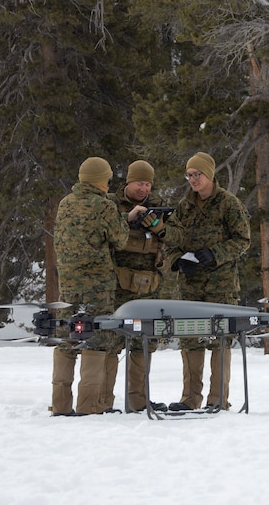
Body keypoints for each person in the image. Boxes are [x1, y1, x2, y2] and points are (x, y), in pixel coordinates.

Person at [51, 156, 146, 416]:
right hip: (97, 285)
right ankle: (89, 405)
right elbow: (118, 239)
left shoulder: (65, 203)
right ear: (102, 180)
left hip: (68, 285)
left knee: (67, 339)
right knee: (97, 341)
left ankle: (60, 404)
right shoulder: (103, 206)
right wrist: (128, 219)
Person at [161, 151, 250, 412]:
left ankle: (218, 399)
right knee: (190, 340)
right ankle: (190, 399)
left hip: (220, 286)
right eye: (189, 175)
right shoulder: (184, 207)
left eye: (197, 174)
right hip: (190, 287)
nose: (192, 179)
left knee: (220, 340)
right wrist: (177, 260)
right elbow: (171, 240)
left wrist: (215, 254)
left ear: (209, 174)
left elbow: (243, 241)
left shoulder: (228, 204)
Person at [109, 159, 171, 413]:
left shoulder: (157, 206)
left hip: (150, 286)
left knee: (146, 341)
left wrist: (157, 225)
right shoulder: (111, 204)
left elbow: (173, 236)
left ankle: (138, 400)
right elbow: (104, 232)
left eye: (147, 184)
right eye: (139, 183)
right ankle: (102, 400)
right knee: (112, 340)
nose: (143, 189)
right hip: (118, 286)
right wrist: (127, 219)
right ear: (128, 182)